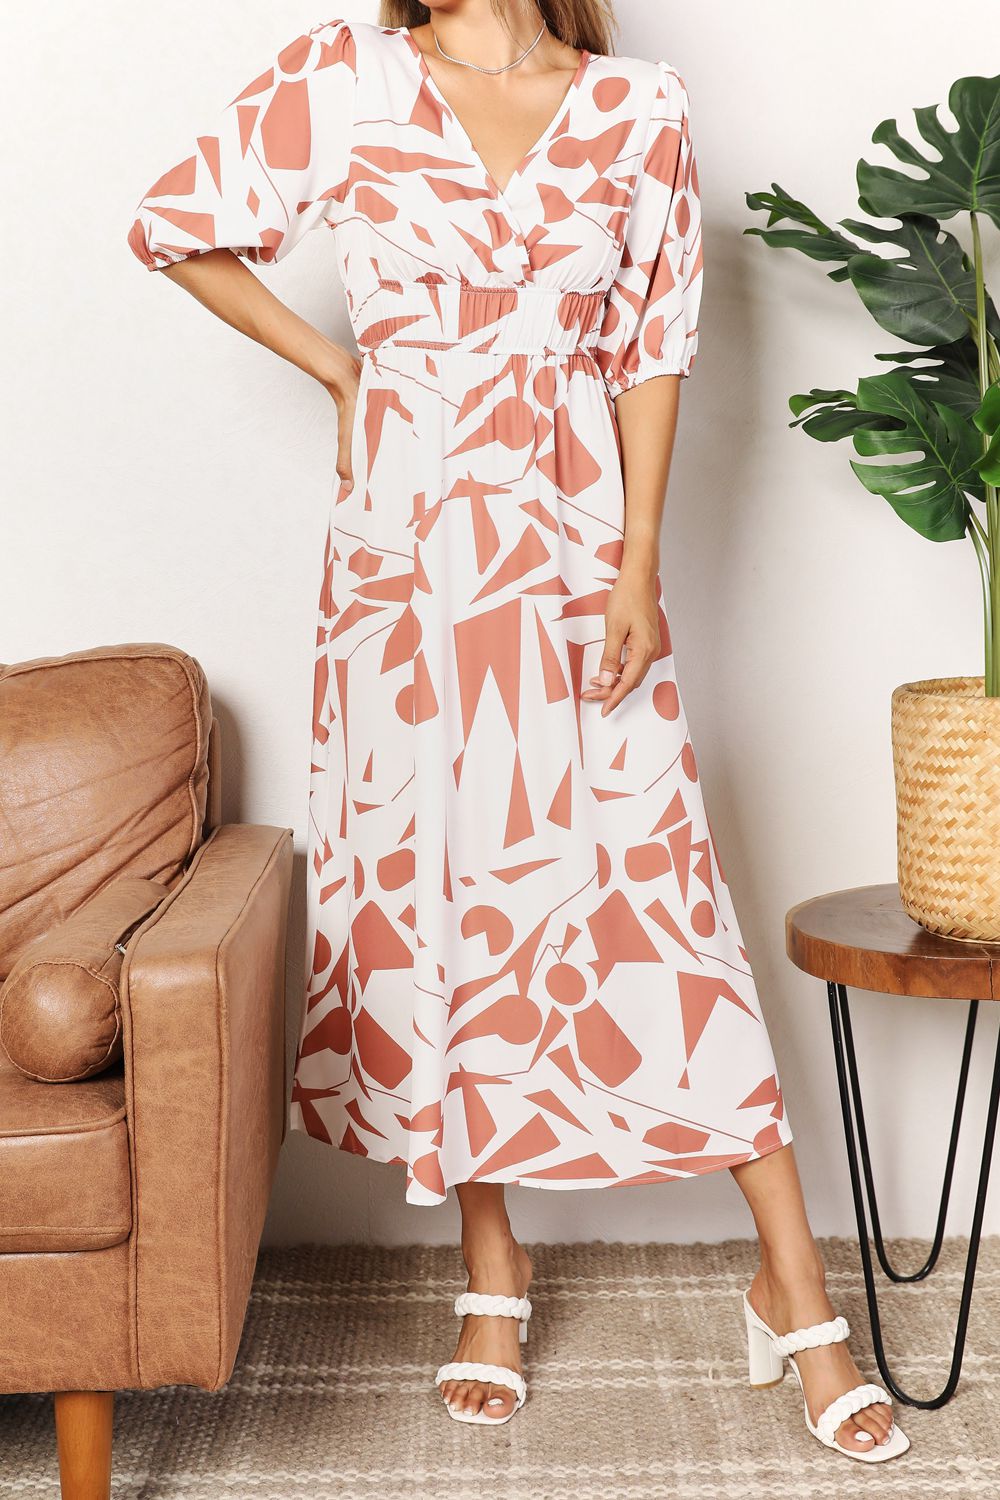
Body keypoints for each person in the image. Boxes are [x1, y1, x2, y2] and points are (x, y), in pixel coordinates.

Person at [128, 0, 907, 1461]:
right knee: (440, 894)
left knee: (655, 891)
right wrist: (342, 366)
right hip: (401, 564)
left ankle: (790, 1281)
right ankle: (492, 1267)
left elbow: (653, 342)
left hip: (568, 548)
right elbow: (174, 223)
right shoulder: (343, 76)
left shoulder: (638, 108)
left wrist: (636, 566)